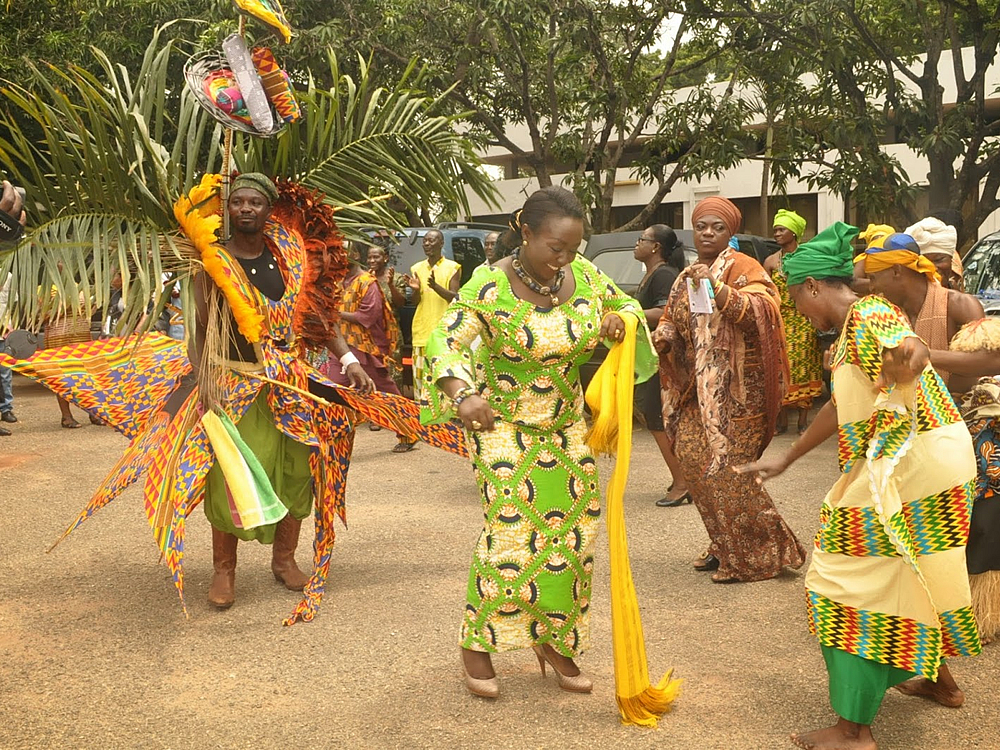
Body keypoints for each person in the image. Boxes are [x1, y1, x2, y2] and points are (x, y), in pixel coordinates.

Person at [741, 221, 982, 750]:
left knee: (842, 583)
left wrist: (910, 360)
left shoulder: (869, 315)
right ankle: (940, 681)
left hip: (911, 467)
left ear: (811, 287)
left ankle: (852, 730)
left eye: (797, 303)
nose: (800, 316)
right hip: (939, 460)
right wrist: (788, 457)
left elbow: (911, 348)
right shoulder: (860, 324)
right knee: (916, 566)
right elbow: (839, 403)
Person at [421, 186, 658, 699]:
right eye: (556, 247)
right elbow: (444, 340)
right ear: (525, 232)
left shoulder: (586, 276)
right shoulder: (488, 287)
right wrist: (462, 393)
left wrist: (622, 320)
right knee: (508, 541)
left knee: (573, 544)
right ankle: (477, 644)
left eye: (574, 248)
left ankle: (554, 641)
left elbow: (626, 307)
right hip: (502, 427)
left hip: (567, 426)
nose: (565, 258)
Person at [654, 196, 804, 583]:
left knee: (729, 475)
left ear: (730, 232)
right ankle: (725, 543)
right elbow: (674, 317)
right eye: (701, 226)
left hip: (739, 396)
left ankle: (761, 554)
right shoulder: (687, 274)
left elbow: (762, 312)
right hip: (698, 391)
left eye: (716, 227)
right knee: (693, 462)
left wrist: (718, 289)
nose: (707, 233)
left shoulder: (745, 267)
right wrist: (665, 338)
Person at [320, 244, 418, 453]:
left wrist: (334, 314)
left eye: (342, 251)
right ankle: (333, 440)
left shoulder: (367, 283)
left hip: (365, 349)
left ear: (355, 254)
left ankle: (408, 431)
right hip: (342, 349)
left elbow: (368, 317)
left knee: (388, 395)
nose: (336, 255)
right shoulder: (337, 281)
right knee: (335, 392)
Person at [860, 231, 984, 390]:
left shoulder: (960, 305)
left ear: (897, 271)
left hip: (961, 411)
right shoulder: (884, 314)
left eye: (873, 278)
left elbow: (991, 360)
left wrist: (926, 355)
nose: (871, 287)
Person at [632, 224, 690, 507]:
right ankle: (681, 477)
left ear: (655, 247)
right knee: (654, 416)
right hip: (650, 358)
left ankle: (682, 484)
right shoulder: (652, 274)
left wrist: (628, 312)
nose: (636, 243)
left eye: (641, 239)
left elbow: (665, 312)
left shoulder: (664, 274)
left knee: (656, 416)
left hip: (662, 359)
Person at [765, 209, 824, 435]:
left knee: (805, 367)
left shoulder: (807, 258)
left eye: (781, 229)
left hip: (804, 320)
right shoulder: (770, 262)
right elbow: (764, 291)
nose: (777, 234)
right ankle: (781, 422)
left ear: (795, 232)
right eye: (775, 230)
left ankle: (802, 421)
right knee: (782, 368)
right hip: (781, 321)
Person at [406, 229, 461, 405]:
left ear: (441, 243)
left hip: (443, 334)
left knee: (442, 379)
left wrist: (436, 286)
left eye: (432, 241)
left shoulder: (453, 267)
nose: (427, 244)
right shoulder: (417, 268)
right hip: (421, 332)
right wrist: (415, 291)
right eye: (425, 241)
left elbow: (455, 298)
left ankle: (444, 422)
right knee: (421, 383)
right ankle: (424, 422)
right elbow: (416, 301)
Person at [906, 216, 964, 291]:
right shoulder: (899, 300)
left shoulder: (961, 300)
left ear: (951, 260)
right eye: (923, 261)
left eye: (938, 260)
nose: (933, 268)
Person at [0, 272, 13, 436]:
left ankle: (6, 409)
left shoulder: (7, 276)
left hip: (4, 332)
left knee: (5, 373)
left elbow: (13, 303)